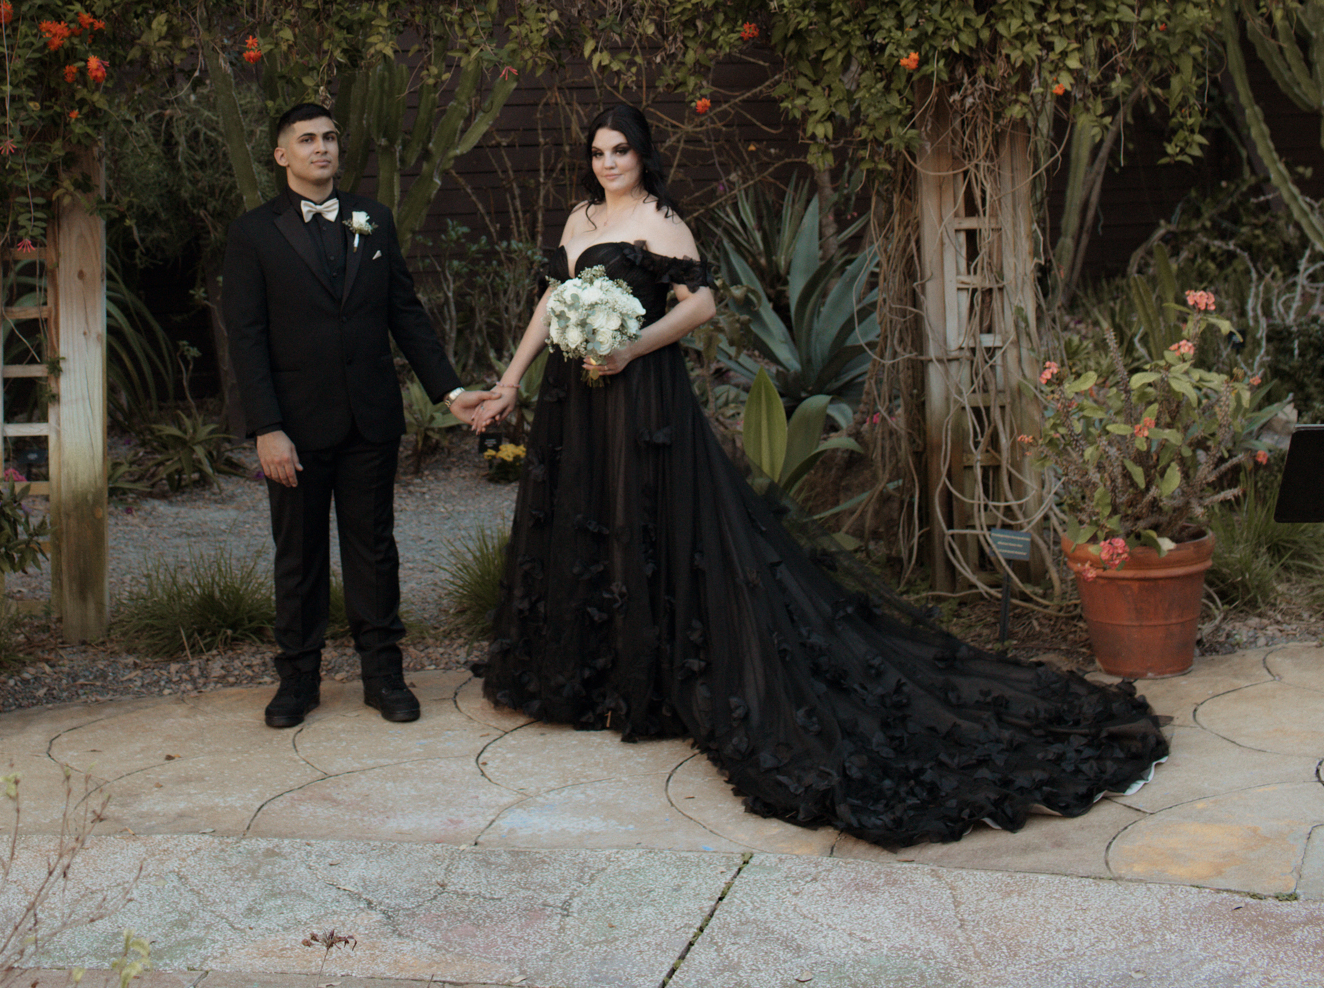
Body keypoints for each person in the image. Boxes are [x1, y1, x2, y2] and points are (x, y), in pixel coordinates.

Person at [455, 101, 1169, 850]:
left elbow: (700, 304)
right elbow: (550, 299)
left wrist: (633, 347)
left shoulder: (663, 222)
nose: (608, 163)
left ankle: (651, 685)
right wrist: (510, 383)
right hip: (576, 401)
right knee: (586, 518)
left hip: (638, 395)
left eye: (621, 152)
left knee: (646, 520)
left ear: (643, 156)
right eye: (599, 152)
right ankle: (598, 679)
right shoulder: (578, 220)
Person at [223, 100, 475, 730]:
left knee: (374, 550)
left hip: (370, 420)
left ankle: (383, 676)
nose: (322, 148)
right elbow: (246, 338)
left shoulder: (374, 220)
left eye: (330, 137)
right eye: (306, 139)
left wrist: (449, 393)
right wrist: (266, 428)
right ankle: (298, 682)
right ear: (282, 155)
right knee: (298, 555)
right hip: (295, 429)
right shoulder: (253, 234)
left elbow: (405, 315)